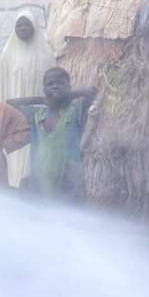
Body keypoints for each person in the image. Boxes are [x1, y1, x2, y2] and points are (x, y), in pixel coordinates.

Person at [8, 67, 96, 202]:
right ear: (44, 90)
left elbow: (91, 92)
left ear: (69, 87)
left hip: (69, 185)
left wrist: (66, 95)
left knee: (68, 219)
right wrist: (43, 100)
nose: (55, 86)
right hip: (41, 185)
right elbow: (11, 103)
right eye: (50, 84)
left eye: (60, 83)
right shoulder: (37, 115)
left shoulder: (74, 112)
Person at [0, 8, 55, 187]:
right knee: (15, 156)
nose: (22, 28)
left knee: (34, 157)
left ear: (35, 27)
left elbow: (52, 90)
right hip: (13, 118)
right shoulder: (7, 55)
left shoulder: (46, 54)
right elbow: (1, 87)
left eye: (26, 24)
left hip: (39, 118)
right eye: (18, 25)